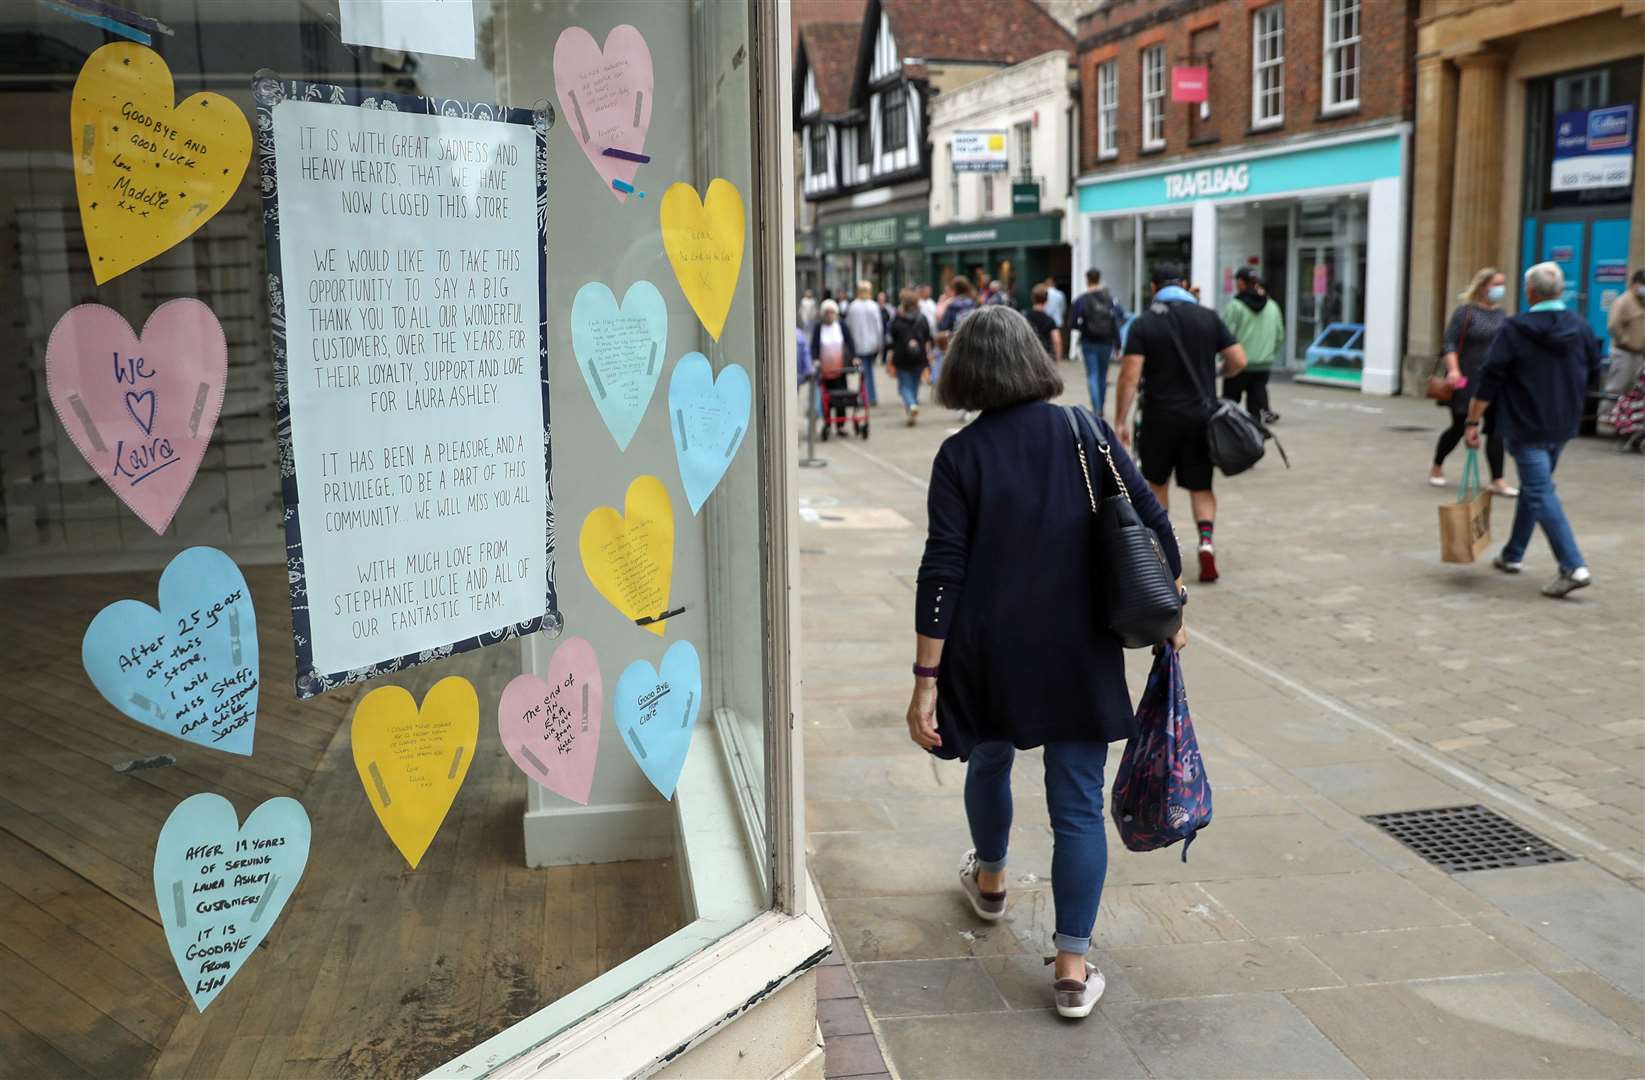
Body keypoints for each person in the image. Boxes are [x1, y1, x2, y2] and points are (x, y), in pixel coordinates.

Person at [906, 304, 1185, 1019]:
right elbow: (1152, 522)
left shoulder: (959, 455)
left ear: (964, 370)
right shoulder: (1084, 430)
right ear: (1033, 359)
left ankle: (991, 882)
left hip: (989, 649)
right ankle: (1070, 966)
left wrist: (925, 679)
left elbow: (942, 569)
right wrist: (1168, 608)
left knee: (989, 760)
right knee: (1075, 806)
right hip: (1077, 648)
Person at [1467, 261, 1601, 598]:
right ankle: (1513, 554)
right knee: (1535, 487)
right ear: (1560, 292)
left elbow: (1490, 376)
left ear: (1530, 292)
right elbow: (1594, 372)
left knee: (1539, 490)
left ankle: (1572, 565)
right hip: (1563, 422)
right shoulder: (1581, 326)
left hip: (1525, 423)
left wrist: (1473, 420)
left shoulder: (1515, 328)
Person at [1115, 262, 1247, 584]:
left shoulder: (1144, 323)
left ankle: (1162, 550)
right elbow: (1239, 361)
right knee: (1201, 486)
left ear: (1153, 288)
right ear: (1186, 284)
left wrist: (1119, 420)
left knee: (1156, 484)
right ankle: (1206, 544)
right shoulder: (1208, 317)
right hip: (1201, 419)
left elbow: (1130, 374)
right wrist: (1218, 374)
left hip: (1159, 419)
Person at [1431, 268, 1515, 497]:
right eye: (1496, 284)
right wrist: (1454, 370)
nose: (1501, 289)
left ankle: (1497, 479)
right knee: (1460, 426)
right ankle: (1437, 466)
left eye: (1503, 284)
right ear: (1482, 286)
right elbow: (1448, 343)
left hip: (1494, 379)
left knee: (1497, 429)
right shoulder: (1465, 313)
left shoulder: (1502, 315)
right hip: (1465, 378)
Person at [1220, 267, 1284, 425]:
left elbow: (1225, 336)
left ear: (1241, 283)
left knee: (1229, 405)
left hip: (1238, 364)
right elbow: (1280, 336)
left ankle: (1229, 439)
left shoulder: (1235, 306)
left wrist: (1222, 358)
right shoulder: (1272, 306)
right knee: (1256, 409)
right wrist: (1268, 354)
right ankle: (1255, 438)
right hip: (1263, 365)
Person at [1070, 269, 1126, 415]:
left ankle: (1097, 409)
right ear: (1099, 279)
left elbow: (1071, 323)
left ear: (1087, 280)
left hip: (1088, 341)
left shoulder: (1081, 300)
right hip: (1106, 342)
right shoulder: (1110, 299)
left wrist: (1083, 327)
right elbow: (1119, 317)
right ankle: (1101, 405)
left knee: (1092, 375)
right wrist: (1118, 344)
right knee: (1103, 375)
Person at [1603, 269, 1645, 434]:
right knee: (1617, 386)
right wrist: (1625, 340)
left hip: (1639, 353)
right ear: (1634, 284)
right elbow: (1613, 325)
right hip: (1624, 351)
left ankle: (1624, 422)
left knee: (1633, 390)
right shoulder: (1623, 301)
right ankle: (1606, 419)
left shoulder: (1641, 301)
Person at [810, 299, 859, 440]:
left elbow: (850, 342)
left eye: (832, 313)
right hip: (825, 370)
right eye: (827, 313)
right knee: (827, 398)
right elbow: (814, 346)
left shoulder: (841, 325)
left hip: (840, 368)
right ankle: (827, 422)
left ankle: (841, 425)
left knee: (841, 397)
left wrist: (854, 357)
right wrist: (815, 359)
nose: (830, 315)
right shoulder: (819, 327)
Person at [887, 288, 934, 425]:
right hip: (919, 356)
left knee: (904, 386)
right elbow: (927, 336)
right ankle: (912, 409)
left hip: (902, 357)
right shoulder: (922, 318)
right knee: (914, 384)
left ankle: (911, 405)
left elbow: (892, 337)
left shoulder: (898, 318)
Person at [844, 281, 884, 407]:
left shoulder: (853, 306)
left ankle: (866, 396)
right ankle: (869, 396)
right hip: (871, 344)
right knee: (867, 371)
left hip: (858, 345)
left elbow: (848, 326)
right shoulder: (873, 306)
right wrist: (879, 343)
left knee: (864, 371)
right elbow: (879, 327)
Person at [1024, 284, 1061, 361]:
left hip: (1028, 356)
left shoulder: (1024, 317)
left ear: (1032, 298)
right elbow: (1057, 340)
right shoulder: (1050, 320)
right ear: (1047, 300)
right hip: (1045, 357)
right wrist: (1057, 359)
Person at [1043, 276, 1068, 356]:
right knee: (1056, 339)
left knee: (1047, 339)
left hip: (1046, 319)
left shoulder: (1044, 292)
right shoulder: (1060, 294)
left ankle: (1047, 354)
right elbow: (1063, 307)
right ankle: (1057, 355)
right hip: (1057, 319)